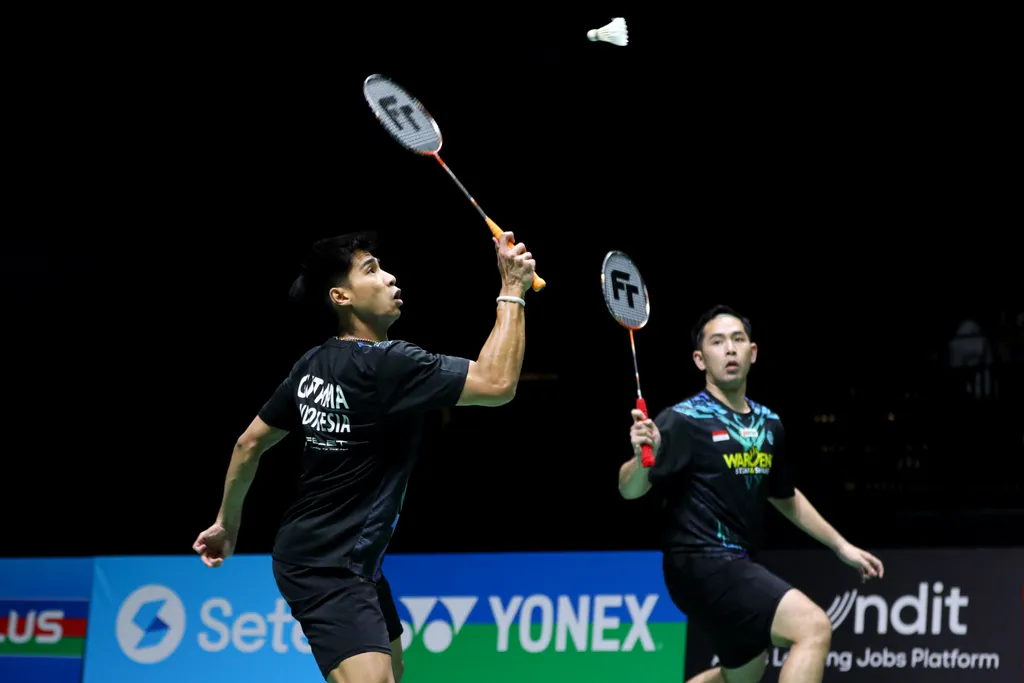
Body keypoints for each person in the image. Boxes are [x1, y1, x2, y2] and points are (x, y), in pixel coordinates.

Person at [192, 229, 537, 683]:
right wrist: (511, 289)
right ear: (341, 296)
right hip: (326, 566)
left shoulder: (313, 362)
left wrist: (226, 524)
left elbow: (248, 444)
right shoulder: (388, 364)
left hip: (347, 558)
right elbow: (497, 384)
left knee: (392, 673)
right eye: (372, 270)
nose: (391, 278)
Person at [617, 304, 884, 683]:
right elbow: (630, 490)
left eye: (738, 340)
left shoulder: (768, 423)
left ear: (753, 353)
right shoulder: (683, 419)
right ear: (699, 359)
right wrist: (642, 458)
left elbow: (785, 496)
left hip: (736, 561)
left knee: (742, 676)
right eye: (717, 341)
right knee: (812, 627)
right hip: (699, 561)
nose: (729, 349)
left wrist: (841, 546)